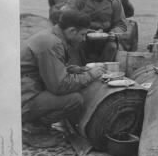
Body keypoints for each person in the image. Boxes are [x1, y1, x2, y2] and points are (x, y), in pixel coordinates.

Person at [21, 10, 105, 147]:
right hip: (21, 99)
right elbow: (60, 86)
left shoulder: (51, 35)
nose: (84, 39)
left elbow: (45, 68)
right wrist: (90, 75)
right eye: (83, 34)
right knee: (74, 99)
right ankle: (31, 127)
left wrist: (76, 70)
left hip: (23, 90)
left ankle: (32, 122)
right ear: (72, 31)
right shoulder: (51, 43)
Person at [63, 0, 128, 64]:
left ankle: (104, 73)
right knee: (73, 46)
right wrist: (82, 30)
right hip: (82, 36)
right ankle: (77, 71)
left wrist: (113, 33)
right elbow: (66, 17)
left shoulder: (114, 1)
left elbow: (121, 24)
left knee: (112, 47)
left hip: (105, 38)